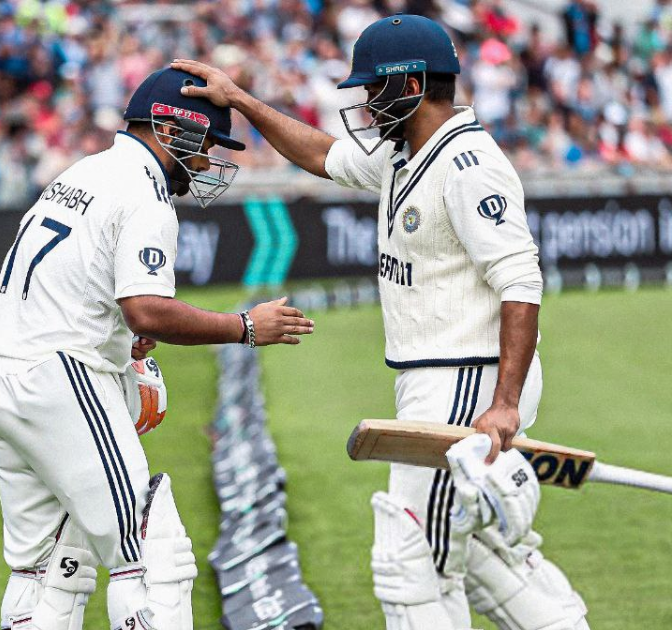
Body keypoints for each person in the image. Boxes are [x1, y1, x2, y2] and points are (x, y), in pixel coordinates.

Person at [172, 13, 589, 630]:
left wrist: (503, 404)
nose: (364, 102)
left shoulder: (468, 165)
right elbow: (320, 153)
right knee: (472, 555)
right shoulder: (406, 155)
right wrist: (240, 99)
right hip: (438, 380)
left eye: (373, 89)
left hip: (465, 382)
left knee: (409, 559)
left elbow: (521, 282)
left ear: (411, 85)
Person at [0, 67, 315, 630]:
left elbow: (86, 287)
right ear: (170, 126)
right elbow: (147, 310)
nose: (206, 162)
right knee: (153, 557)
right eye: (204, 144)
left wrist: (123, 339)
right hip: (61, 378)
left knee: (44, 568)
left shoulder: (85, 171)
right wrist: (244, 326)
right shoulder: (145, 195)